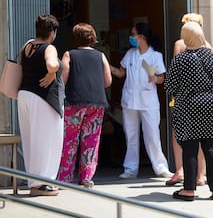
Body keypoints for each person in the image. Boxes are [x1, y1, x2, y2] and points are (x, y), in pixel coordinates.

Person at [165, 21, 213, 201]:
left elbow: (169, 85)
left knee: (190, 147)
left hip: (188, 105)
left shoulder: (181, 59)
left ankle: (189, 189)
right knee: (212, 146)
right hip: (212, 103)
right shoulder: (212, 55)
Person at [111, 22, 172, 179]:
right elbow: (120, 73)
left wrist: (154, 78)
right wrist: (106, 66)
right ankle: (130, 169)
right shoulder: (130, 54)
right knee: (130, 135)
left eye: (133, 34)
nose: (131, 37)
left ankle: (160, 167)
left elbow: (162, 78)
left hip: (148, 101)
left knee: (152, 135)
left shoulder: (155, 56)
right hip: (130, 100)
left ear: (141, 37)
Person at [57, 23, 112, 188]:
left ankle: (64, 178)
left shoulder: (69, 54)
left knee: (69, 140)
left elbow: (63, 79)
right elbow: (108, 81)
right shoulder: (100, 56)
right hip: (96, 102)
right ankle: (87, 177)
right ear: (92, 38)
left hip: (74, 102)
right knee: (91, 140)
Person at [17, 14, 64, 196]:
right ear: (52, 32)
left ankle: (35, 182)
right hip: (43, 98)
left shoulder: (27, 45)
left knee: (32, 140)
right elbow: (52, 64)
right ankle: (43, 183)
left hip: (25, 94)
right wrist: (53, 71)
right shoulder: (49, 47)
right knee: (48, 140)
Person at [166, 13, 207, 187]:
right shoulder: (208, 46)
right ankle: (201, 175)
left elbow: (175, 71)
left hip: (183, 97)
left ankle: (180, 170)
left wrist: (174, 94)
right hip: (204, 98)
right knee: (204, 136)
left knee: (179, 134)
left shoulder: (180, 44)